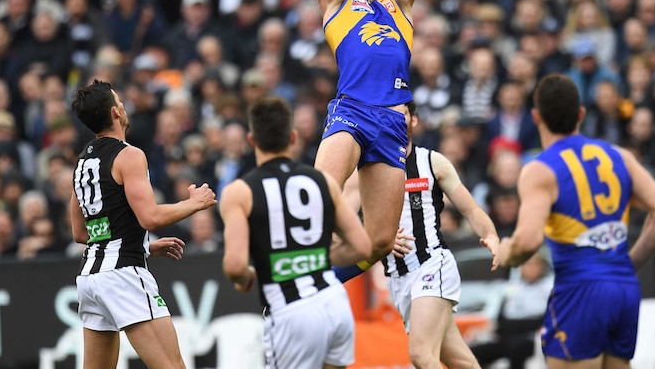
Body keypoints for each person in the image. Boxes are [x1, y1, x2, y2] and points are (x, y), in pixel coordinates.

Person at [497, 73, 655, 369]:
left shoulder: (539, 170)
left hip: (581, 289)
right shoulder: (619, 156)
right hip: (624, 287)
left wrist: (507, 253)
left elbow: (528, 241)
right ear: (581, 114)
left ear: (535, 117)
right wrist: (628, 263)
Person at [315, 0, 429, 279]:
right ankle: (292, 269)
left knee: (380, 241)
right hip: (353, 108)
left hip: (392, 121)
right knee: (322, 190)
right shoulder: (336, 4)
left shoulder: (397, 4)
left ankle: (313, 275)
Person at [69, 80, 218, 369]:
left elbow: (81, 232)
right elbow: (150, 218)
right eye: (120, 101)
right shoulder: (130, 155)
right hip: (124, 275)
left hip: (90, 278)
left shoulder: (82, 162)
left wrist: (144, 247)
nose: (124, 105)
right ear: (115, 112)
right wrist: (195, 202)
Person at [218, 96, 372, 369]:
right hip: (335, 304)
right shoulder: (321, 181)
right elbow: (362, 247)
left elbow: (235, 266)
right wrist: (315, 258)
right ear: (292, 137)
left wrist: (247, 277)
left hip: (291, 311)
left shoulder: (239, 192)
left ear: (252, 140)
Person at [344, 100, 499, 369]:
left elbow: (471, 209)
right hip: (398, 278)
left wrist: (491, 235)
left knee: (421, 355)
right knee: (459, 360)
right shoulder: (364, 169)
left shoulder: (432, 161)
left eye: (401, 114)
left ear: (413, 120)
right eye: (387, 115)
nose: (393, 119)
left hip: (432, 263)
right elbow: (343, 221)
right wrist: (378, 238)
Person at [470, 250, 553, 369]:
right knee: (474, 352)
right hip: (506, 334)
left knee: (517, 348)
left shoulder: (548, 287)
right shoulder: (511, 288)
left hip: (531, 335)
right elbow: (499, 316)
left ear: (541, 266)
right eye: (526, 264)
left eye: (534, 264)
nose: (529, 268)